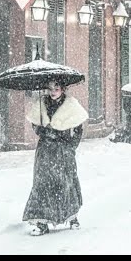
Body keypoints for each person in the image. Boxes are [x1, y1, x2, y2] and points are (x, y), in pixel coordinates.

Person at [22, 79, 89, 236]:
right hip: (45, 151)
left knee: (67, 182)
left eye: (56, 88)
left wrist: (71, 145)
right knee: (42, 184)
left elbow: (78, 128)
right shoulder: (41, 104)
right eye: (50, 88)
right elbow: (35, 125)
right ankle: (42, 222)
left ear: (63, 89)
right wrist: (44, 132)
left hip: (63, 151)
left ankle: (72, 217)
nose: (53, 92)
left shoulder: (71, 105)